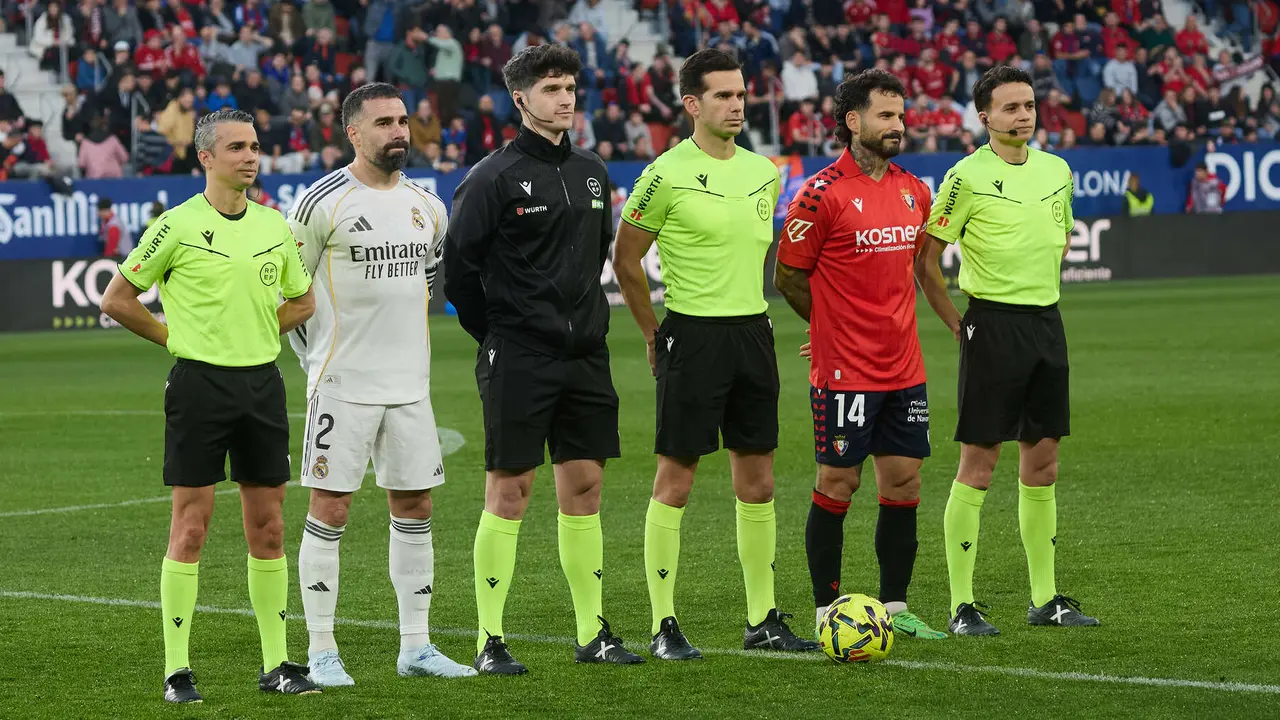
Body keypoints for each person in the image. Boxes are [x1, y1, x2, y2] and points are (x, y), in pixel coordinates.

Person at [99, 108, 320, 703]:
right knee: (190, 527)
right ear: (206, 158)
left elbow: (302, 301)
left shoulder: (274, 225)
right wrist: (174, 338)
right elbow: (118, 299)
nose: (251, 156)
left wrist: (256, 329)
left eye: (255, 146)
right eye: (237, 148)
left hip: (262, 386)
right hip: (198, 387)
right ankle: (177, 671)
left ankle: (277, 664)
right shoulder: (175, 225)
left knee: (268, 528)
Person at [443, 44, 643, 675]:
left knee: (584, 488)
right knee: (511, 490)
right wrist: (500, 335)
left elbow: (597, 256)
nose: (566, 98)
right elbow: (458, 274)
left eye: (571, 87)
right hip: (519, 355)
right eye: (552, 88)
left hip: (585, 355)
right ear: (521, 99)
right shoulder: (490, 177)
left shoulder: (592, 169)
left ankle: (593, 632)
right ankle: (489, 639)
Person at [612, 48, 818, 659]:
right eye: (723, 95)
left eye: (741, 93)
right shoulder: (665, 172)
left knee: (758, 482)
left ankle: (763, 619)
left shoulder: (764, 172)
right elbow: (626, 261)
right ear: (692, 104)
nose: (737, 104)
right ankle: (663, 623)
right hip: (693, 335)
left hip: (753, 334)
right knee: (675, 479)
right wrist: (654, 333)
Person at [287, 82, 476, 687]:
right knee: (331, 508)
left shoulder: (429, 206)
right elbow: (291, 298)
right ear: (354, 133)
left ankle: (416, 646)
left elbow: (423, 281)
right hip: (342, 385)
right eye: (385, 123)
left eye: (403, 120)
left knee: (415, 505)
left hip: (410, 387)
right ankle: (321, 650)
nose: (399, 132)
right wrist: (319, 364)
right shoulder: (322, 204)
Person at [773, 69, 954, 641]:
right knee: (838, 482)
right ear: (853, 121)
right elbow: (788, 277)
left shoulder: (914, 190)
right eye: (885, 116)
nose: (897, 126)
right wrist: (828, 328)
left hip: (905, 367)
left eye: (901, 116)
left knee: (902, 483)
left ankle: (896, 609)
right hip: (845, 372)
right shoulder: (820, 193)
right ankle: (828, 612)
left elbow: (915, 272)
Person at [922, 66, 1100, 636]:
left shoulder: (1057, 170)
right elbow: (927, 259)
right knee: (979, 464)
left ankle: (1045, 599)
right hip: (991, 324)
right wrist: (958, 325)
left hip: (1046, 324)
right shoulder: (965, 177)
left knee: (1042, 460)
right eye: (1010, 108)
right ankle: (961, 605)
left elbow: (1062, 234)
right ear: (985, 118)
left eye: (1028, 105)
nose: (1023, 115)